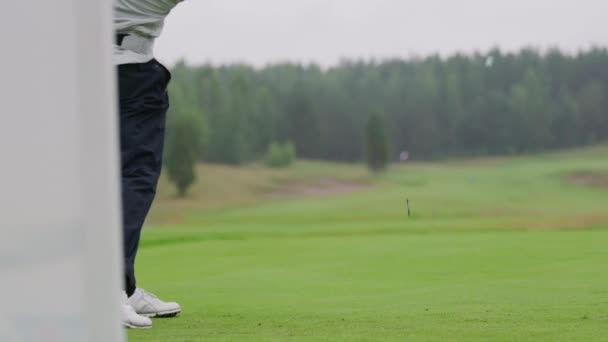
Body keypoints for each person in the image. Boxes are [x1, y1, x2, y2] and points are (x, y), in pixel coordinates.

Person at [114, 0, 184, 329]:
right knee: (134, 177)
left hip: (71, 69)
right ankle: (110, 289)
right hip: (129, 74)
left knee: (98, 180)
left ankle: (122, 287)